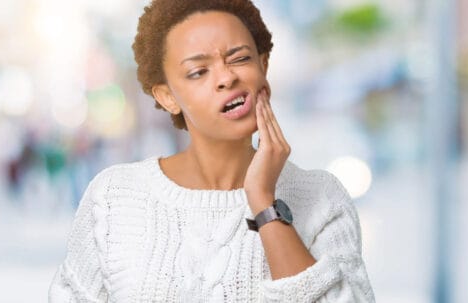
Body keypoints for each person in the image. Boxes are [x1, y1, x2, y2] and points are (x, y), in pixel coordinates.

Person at [48, 0, 375, 302]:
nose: (226, 77)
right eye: (198, 71)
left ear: (263, 67)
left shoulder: (323, 198)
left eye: (240, 58)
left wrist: (264, 202)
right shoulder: (113, 197)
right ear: (167, 97)